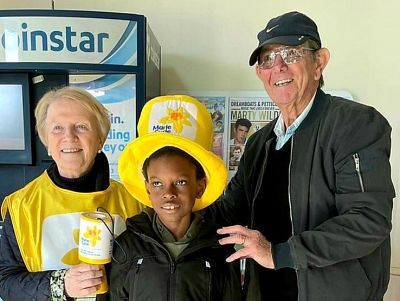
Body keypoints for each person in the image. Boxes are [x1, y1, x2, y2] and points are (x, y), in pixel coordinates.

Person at [205, 11, 395, 301]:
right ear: (260, 73)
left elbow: (367, 220)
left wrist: (279, 254)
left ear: (319, 62)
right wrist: (166, 212)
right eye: (267, 59)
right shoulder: (258, 143)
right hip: (266, 292)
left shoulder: (354, 124)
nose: (278, 67)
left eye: (291, 53)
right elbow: (230, 211)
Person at [0, 86, 142, 301]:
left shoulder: (136, 200)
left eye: (82, 127)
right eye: (57, 128)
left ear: (101, 139)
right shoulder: (21, 205)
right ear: (46, 141)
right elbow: (5, 282)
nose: (69, 136)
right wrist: (60, 284)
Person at [105, 95, 241, 300]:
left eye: (181, 182)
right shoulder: (127, 246)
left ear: (200, 187)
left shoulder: (219, 249)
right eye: (158, 183)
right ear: (148, 189)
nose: (168, 193)